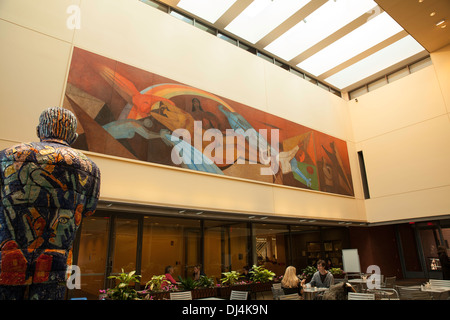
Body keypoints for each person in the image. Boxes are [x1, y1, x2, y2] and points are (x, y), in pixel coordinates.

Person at [0, 107, 101, 300]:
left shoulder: (6, 156)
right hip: (56, 262)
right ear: (73, 135)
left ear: (39, 130)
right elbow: (89, 209)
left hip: (9, 259)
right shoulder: (90, 168)